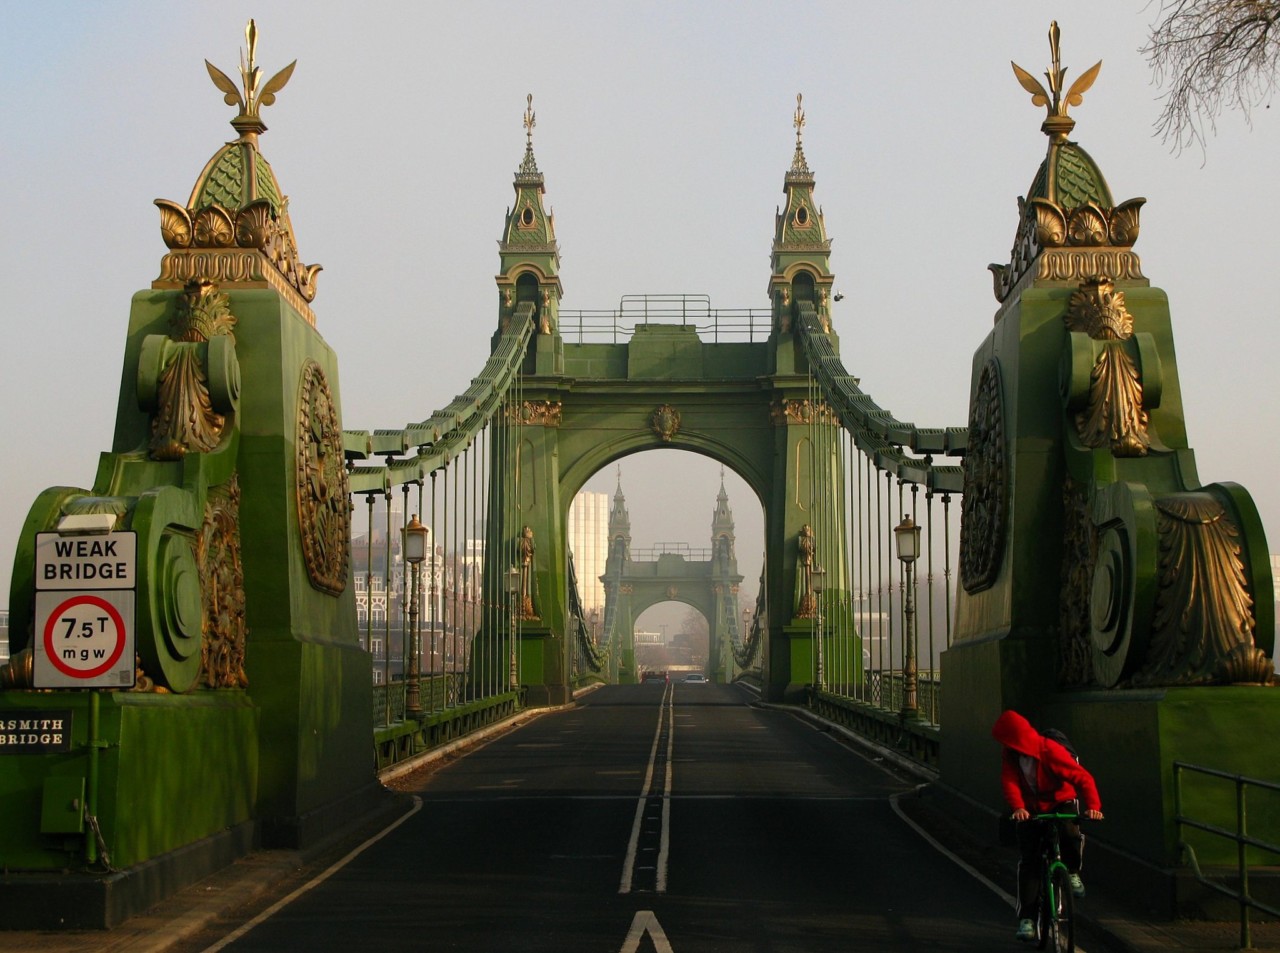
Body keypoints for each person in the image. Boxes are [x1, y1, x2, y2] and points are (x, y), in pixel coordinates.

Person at [992, 710, 1104, 943]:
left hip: (1060, 800)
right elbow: (1010, 781)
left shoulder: (1049, 750)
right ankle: (1028, 919)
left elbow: (1083, 778)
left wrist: (1093, 806)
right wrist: (1018, 808)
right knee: (1030, 860)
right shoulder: (1010, 755)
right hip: (1031, 808)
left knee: (1070, 831)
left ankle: (1072, 872)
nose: (1005, 746)